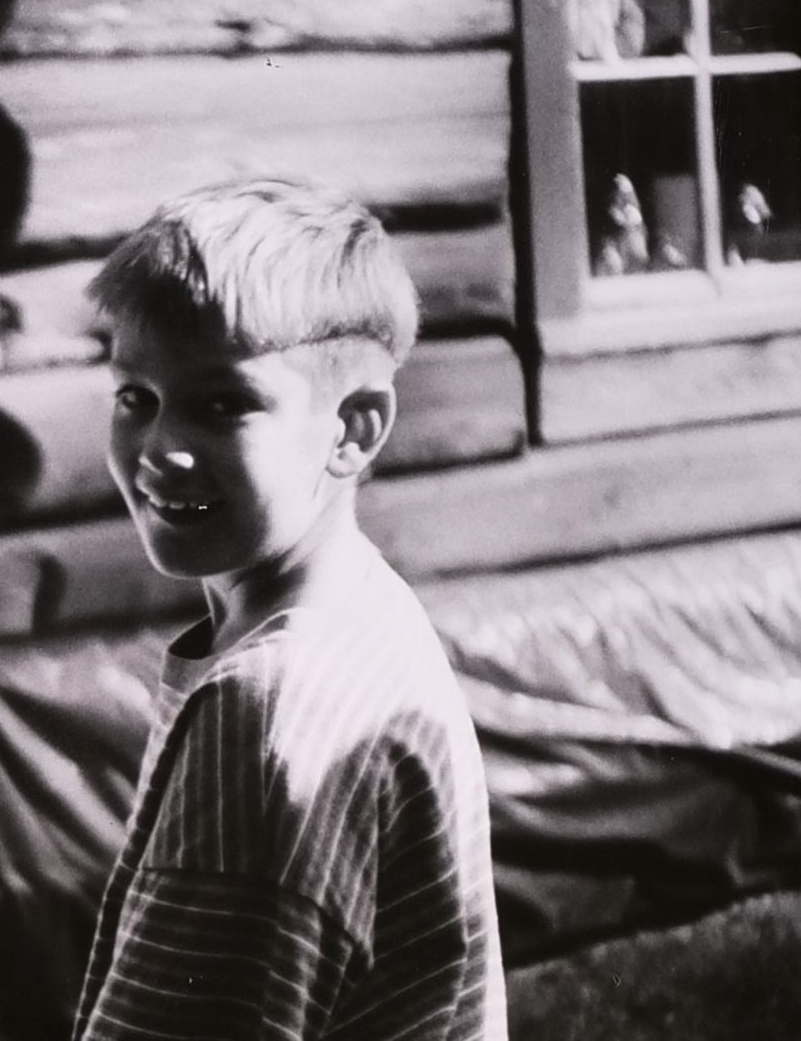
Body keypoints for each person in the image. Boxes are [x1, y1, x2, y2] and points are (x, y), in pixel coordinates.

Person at [72, 178, 507, 1040]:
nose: (159, 450)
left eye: (222, 404)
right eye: (136, 398)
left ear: (353, 428)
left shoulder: (263, 714)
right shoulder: (363, 602)